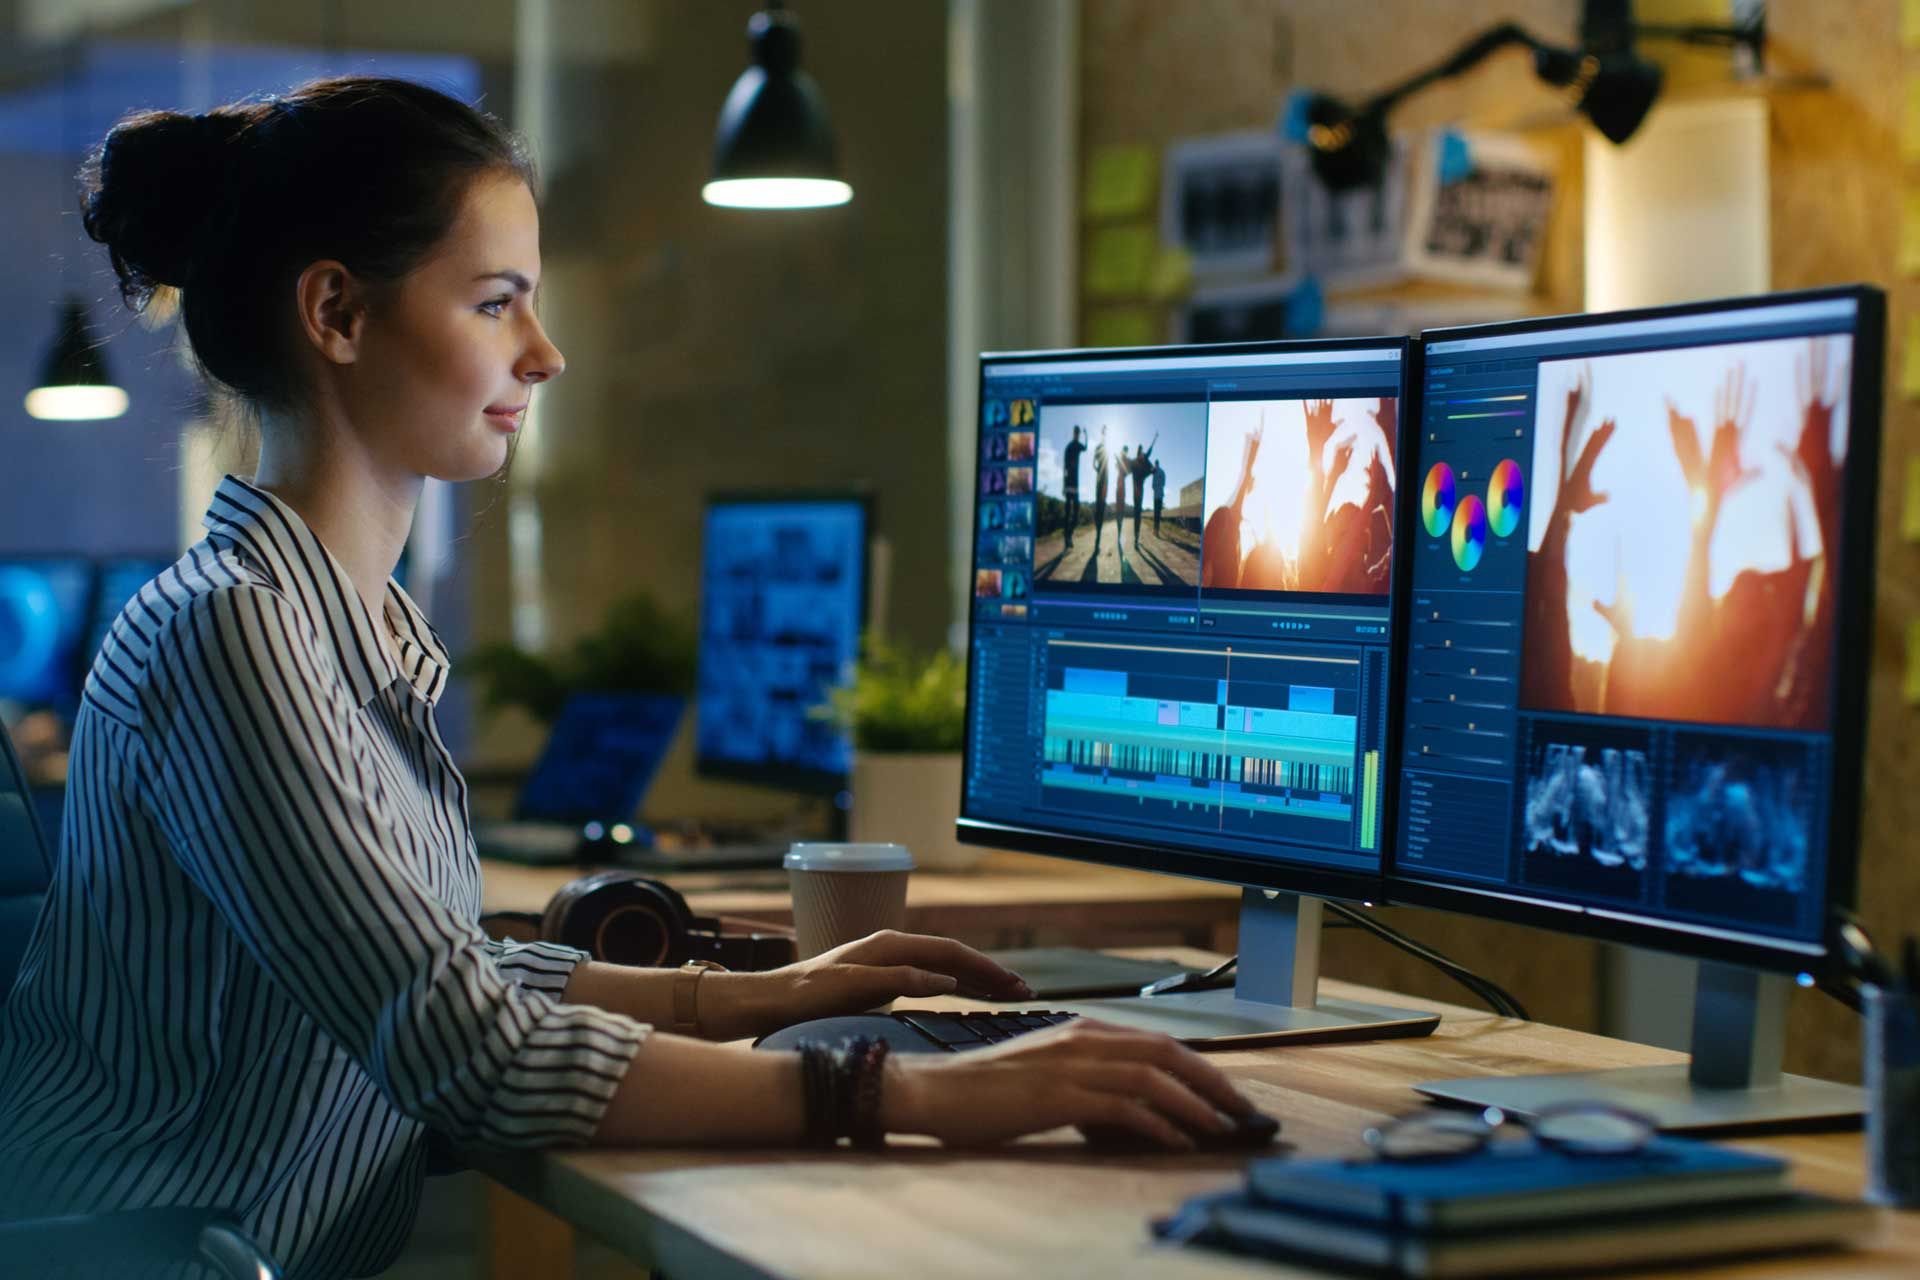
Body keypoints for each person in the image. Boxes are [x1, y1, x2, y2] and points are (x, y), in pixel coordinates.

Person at [0, 77, 1253, 1279]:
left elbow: (447, 966)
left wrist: (764, 992)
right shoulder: (234, 633)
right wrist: (911, 1086)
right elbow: (463, 1045)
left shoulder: (333, 625)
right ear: (337, 314)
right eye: (497, 302)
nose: (545, 355)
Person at [1062, 425, 1085, 548]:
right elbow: (1064, 468)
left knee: (1076, 513)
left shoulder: (1078, 446)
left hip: (1076, 486)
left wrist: (1086, 434)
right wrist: (1064, 485)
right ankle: (1066, 539)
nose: (1077, 434)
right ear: (1073, 433)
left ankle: (1068, 535)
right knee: (1067, 513)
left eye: (1079, 433)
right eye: (1076, 432)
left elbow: (1085, 447)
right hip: (1068, 485)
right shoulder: (1069, 447)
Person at [1152, 458, 1167, 537]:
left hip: (1155, 495)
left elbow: (1152, 485)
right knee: (1159, 513)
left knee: (1155, 513)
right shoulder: (1162, 472)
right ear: (1159, 463)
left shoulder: (1154, 472)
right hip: (1160, 494)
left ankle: (1155, 530)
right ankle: (1157, 530)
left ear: (1155, 464)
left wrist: (1155, 488)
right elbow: (1164, 483)